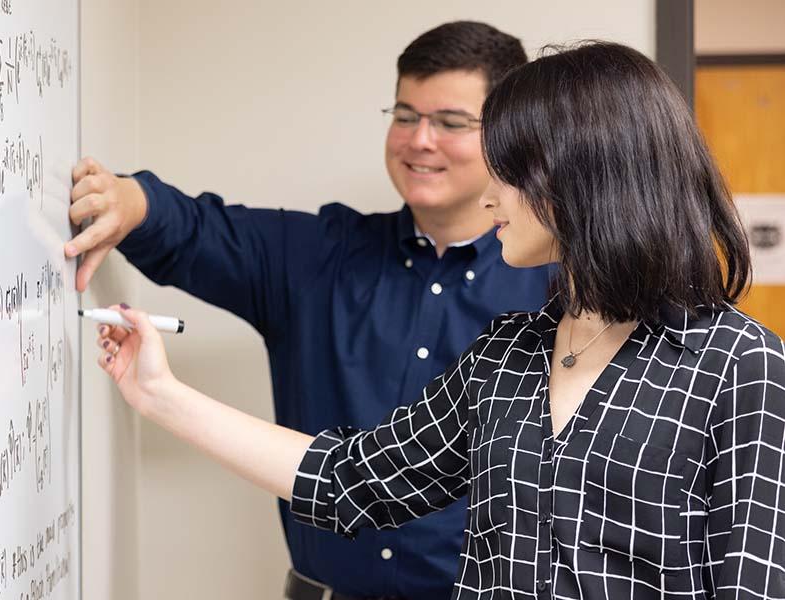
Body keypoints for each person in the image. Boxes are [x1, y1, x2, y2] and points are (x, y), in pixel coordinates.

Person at [94, 42, 785, 599]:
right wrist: (158, 392)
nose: (489, 193)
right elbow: (348, 479)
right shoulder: (506, 357)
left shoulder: (737, 365)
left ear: (585, 177)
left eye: (508, 170)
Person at [68, 21, 552, 600]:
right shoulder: (322, 255)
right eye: (404, 116)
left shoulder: (559, 293)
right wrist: (132, 200)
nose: (420, 140)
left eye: (449, 123)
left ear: (508, 137)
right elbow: (202, 232)